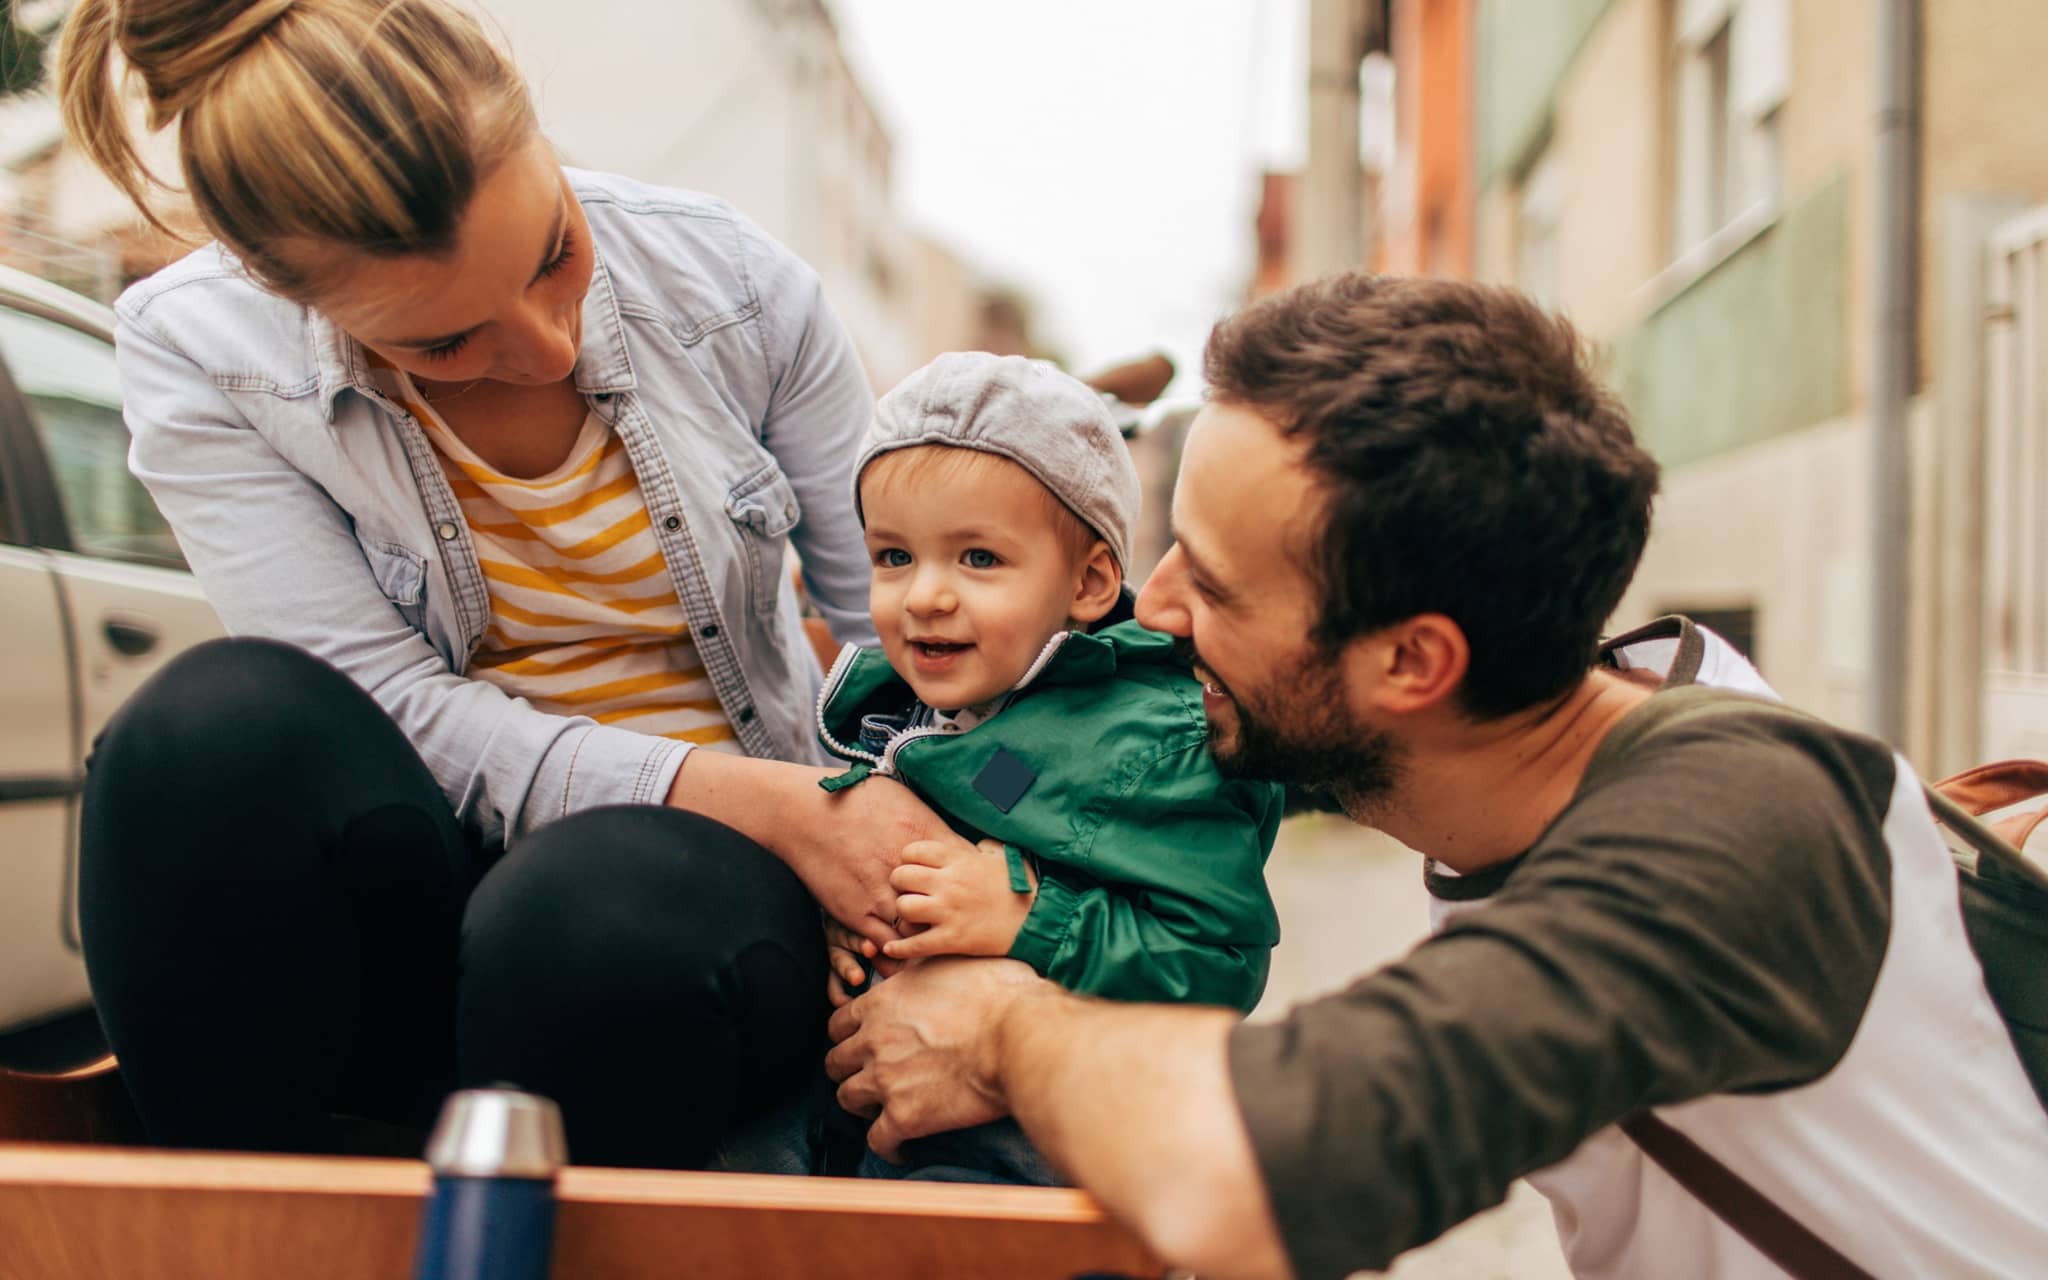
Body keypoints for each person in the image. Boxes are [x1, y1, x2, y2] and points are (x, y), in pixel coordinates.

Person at [825, 274, 2048, 1278]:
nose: (1156, 610)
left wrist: (1001, 1020)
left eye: (1212, 581)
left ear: (1410, 659)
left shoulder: (1728, 825)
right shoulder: (1578, 738)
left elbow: (1261, 1167)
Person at [55, 0, 954, 1168]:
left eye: (555, 252)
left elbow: (918, 640)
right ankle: (245, 1221)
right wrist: (758, 796)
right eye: (443, 343)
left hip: (685, 924)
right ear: (294, 299)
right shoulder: (199, 349)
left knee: (584, 914)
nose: (547, 348)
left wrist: (925, 872)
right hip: (435, 904)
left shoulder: (733, 281)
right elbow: (388, 701)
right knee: (201, 731)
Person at [807, 352, 1282, 1183]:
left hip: (1046, 1143)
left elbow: (1219, 964)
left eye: (978, 559)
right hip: (886, 1102)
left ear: (1091, 581)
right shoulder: (911, 709)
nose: (924, 596)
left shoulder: (1146, 744)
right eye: (893, 557)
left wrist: (1030, 914)